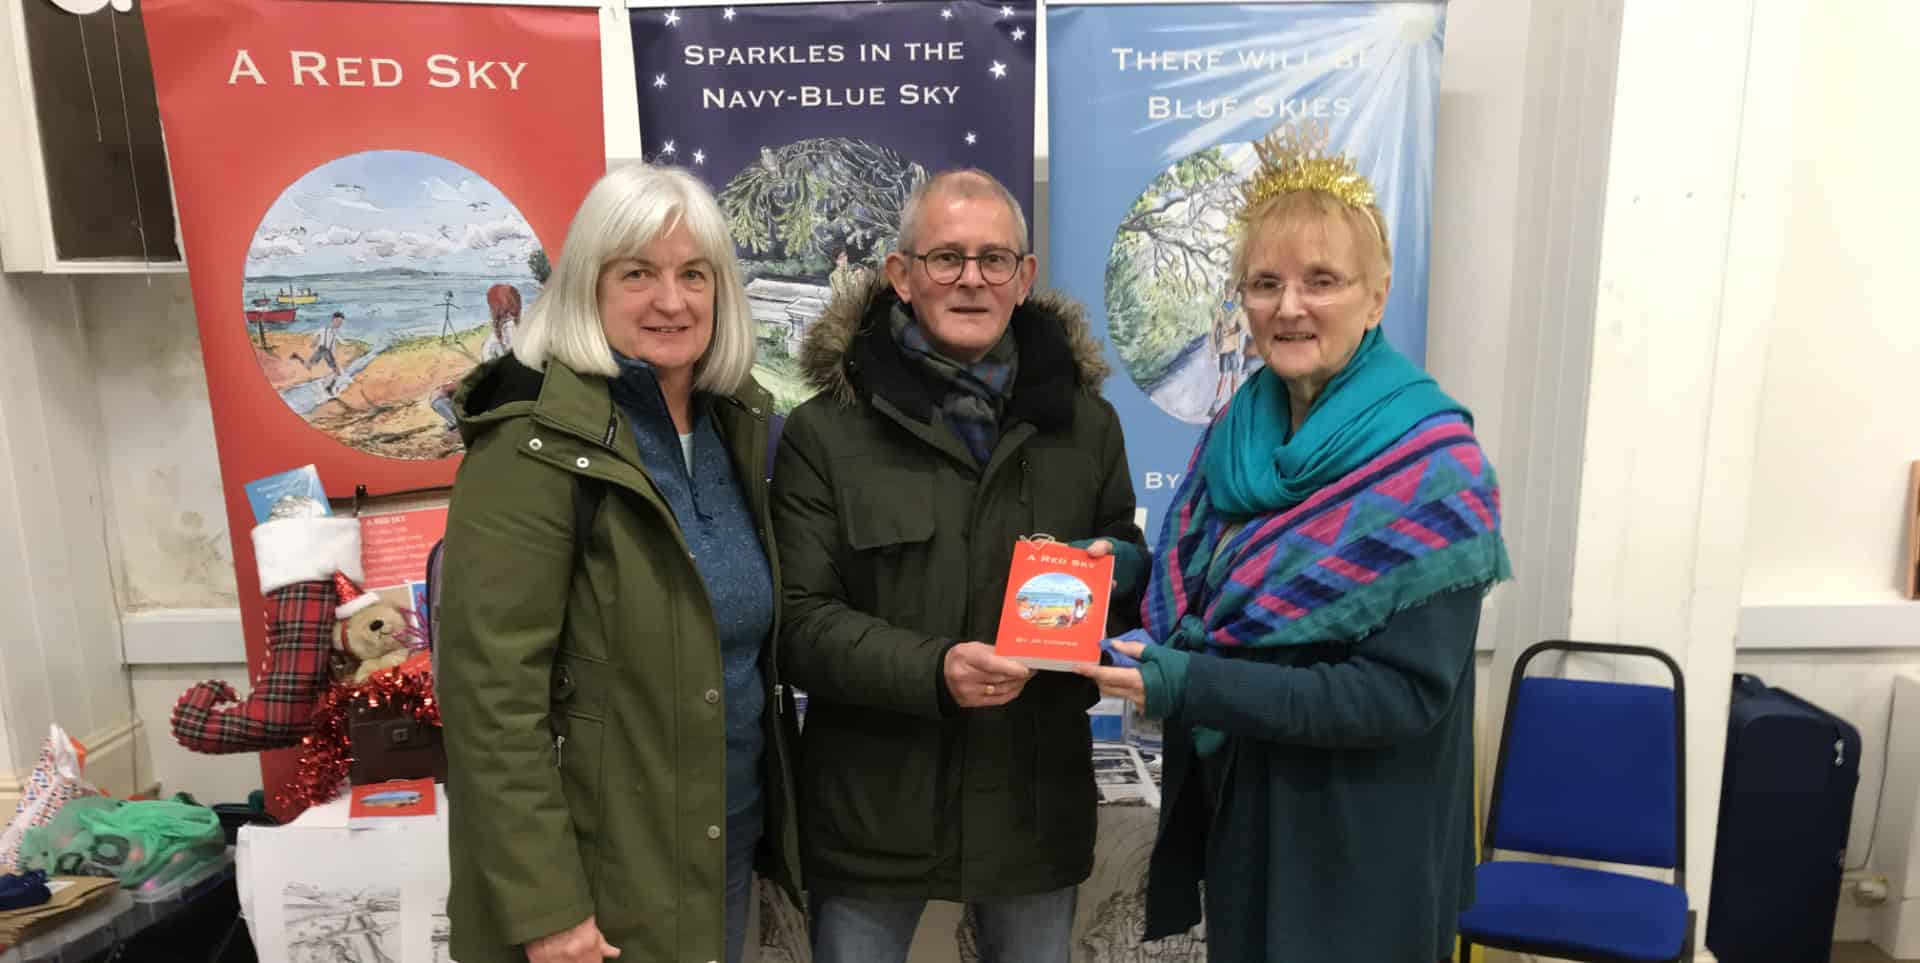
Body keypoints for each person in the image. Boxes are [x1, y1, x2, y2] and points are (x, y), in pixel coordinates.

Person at [1076, 124, 1511, 963]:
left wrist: (1191, 682)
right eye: (1265, 282)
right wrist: (1120, 571)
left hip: (1364, 835)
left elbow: (1397, 697)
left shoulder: (1433, 467)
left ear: (1376, 296)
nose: (1289, 306)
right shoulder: (1243, 428)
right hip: (1248, 807)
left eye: (1322, 281)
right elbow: (1214, 590)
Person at [772, 169, 1147, 963]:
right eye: (946, 258)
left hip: (1031, 802)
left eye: (993, 258)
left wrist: (1120, 572)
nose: (971, 278)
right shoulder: (824, 433)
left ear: (1026, 277)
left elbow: (1125, 569)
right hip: (873, 811)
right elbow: (800, 623)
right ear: (901, 275)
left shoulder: (1087, 427)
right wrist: (934, 668)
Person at [437, 164, 800, 963]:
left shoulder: (735, 427)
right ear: (587, 288)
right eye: (638, 273)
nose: (671, 301)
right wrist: (548, 909)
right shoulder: (528, 444)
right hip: (598, 875)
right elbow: (491, 701)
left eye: (693, 274)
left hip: (719, 843)